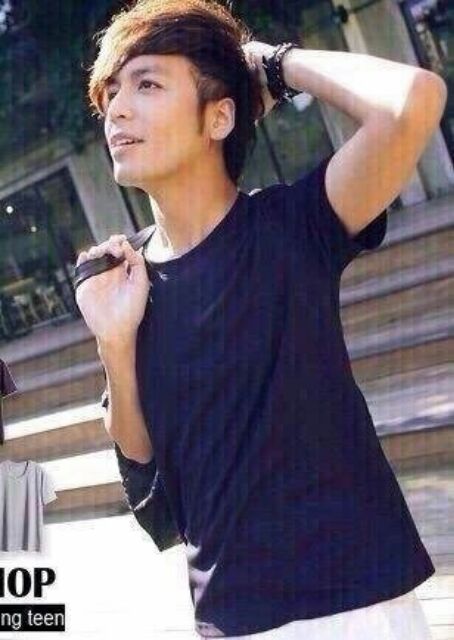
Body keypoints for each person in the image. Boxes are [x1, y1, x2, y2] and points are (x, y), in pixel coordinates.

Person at [76, 0, 447, 637]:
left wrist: (273, 65)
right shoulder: (123, 275)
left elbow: (412, 100)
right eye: (111, 91)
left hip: (357, 605)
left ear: (219, 116)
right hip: (232, 617)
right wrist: (115, 342)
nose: (118, 109)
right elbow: (145, 465)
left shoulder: (290, 227)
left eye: (147, 84)